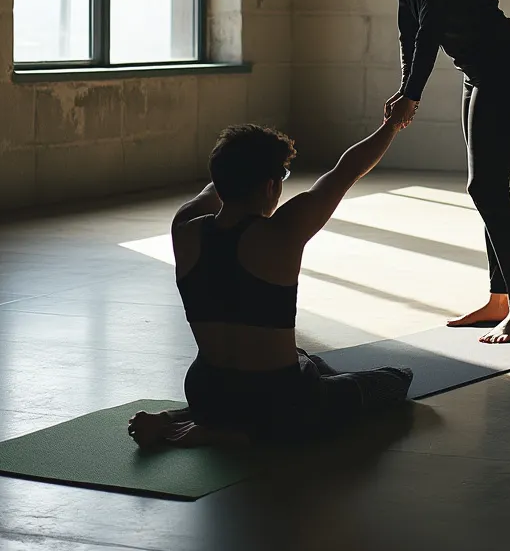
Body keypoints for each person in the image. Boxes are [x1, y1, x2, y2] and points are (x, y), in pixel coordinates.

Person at [127, 119, 413, 448]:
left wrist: (238, 158)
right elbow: (346, 171)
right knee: (394, 380)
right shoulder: (282, 233)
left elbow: (221, 181)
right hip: (278, 403)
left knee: (303, 358)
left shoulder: (185, 228)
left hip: (207, 393)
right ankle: (237, 434)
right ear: (270, 186)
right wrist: (393, 123)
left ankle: (186, 419)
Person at [348, 0, 510, 344]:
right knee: (487, 189)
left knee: (486, 187)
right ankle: (499, 300)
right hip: (477, 73)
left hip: (508, 69)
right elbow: (408, 29)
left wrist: (411, 96)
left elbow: (431, 31)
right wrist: (404, 88)